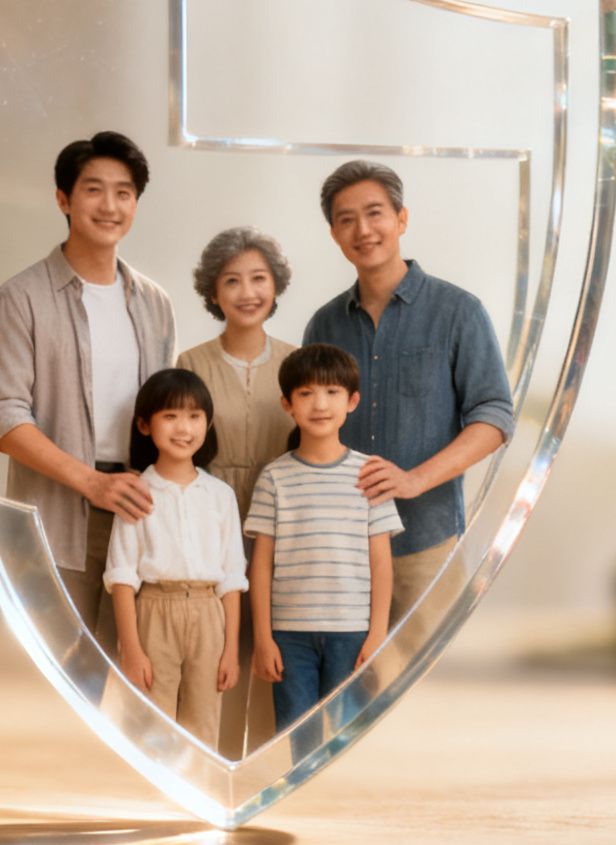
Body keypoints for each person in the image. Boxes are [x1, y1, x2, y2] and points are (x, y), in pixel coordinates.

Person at [0, 131, 176, 649]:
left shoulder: (154, 303)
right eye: (94, 190)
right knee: (66, 671)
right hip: (59, 518)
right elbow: (1, 417)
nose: (110, 205)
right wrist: (91, 483)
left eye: (124, 192)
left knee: (140, 677)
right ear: (63, 199)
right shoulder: (20, 298)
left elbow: (168, 414)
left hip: (141, 509)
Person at [302, 160, 514, 632]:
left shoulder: (458, 312)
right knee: (345, 694)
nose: (363, 229)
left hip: (426, 544)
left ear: (401, 219)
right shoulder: (324, 326)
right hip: (342, 552)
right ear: (334, 234)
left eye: (375, 213)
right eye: (346, 219)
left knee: (421, 695)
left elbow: (495, 416)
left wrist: (416, 479)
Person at [177, 226, 296, 757]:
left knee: (272, 649)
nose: (247, 292)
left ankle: (267, 772)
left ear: (275, 286)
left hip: (283, 525)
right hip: (209, 525)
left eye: (258, 279)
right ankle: (211, 769)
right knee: (215, 653)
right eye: (232, 281)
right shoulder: (190, 364)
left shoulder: (298, 363)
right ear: (213, 292)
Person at [247, 344, 400, 740]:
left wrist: (377, 633)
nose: (319, 404)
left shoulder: (370, 473)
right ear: (287, 404)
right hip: (289, 634)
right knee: (297, 733)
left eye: (332, 392)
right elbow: (261, 565)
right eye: (306, 393)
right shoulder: (274, 478)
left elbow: (381, 561)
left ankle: (343, 803)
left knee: (346, 732)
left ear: (352, 401)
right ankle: (304, 804)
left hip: (352, 632)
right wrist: (263, 638)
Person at [103, 368, 247, 746]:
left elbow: (232, 576)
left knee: (203, 725)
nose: (184, 428)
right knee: (153, 722)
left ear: (207, 423)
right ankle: (156, 803)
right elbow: (121, 576)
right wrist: (131, 649)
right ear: (145, 425)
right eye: (170, 416)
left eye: (194, 416)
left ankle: (197, 799)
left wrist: (231, 649)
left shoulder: (220, 495)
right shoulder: (135, 492)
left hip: (207, 614)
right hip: (153, 611)